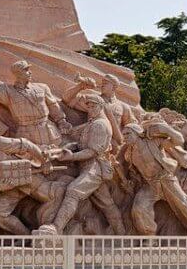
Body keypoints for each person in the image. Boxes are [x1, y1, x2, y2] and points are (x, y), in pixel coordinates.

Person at [38, 94, 126, 235]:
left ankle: (55, 228)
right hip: (87, 167)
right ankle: (122, 234)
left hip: (94, 168)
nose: (90, 109)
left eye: (93, 106)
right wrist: (59, 151)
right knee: (107, 204)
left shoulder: (100, 125)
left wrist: (71, 157)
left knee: (73, 191)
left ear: (101, 106)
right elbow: (80, 145)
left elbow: (91, 151)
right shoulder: (92, 123)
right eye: (89, 106)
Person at [0, 128, 67, 234]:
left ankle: (52, 227)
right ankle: (27, 237)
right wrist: (0, 188)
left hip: (27, 179)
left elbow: (26, 145)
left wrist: (44, 162)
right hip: (9, 189)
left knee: (54, 195)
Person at [0, 59, 71, 146]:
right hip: (26, 131)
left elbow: (53, 105)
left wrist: (61, 121)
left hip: (47, 129)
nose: (30, 72)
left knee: (57, 153)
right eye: (26, 70)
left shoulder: (42, 87)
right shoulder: (8, 91)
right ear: (17, 73)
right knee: (31, 159)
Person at [120, 122, 187, 235]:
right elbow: (135, 173)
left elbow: (179, 141)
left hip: (166, 180)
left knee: (184, 206)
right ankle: (150, 237)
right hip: (150, 185)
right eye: (123, 135)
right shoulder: (129, 154)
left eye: (128, 133)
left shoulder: (153, 141)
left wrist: (166, 129)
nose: (125, 137)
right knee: (139, 208)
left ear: (137, 132)